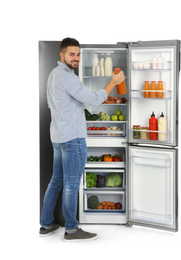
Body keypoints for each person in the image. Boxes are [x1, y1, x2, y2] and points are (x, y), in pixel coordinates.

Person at [39, 37, 125, 241]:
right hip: (72, 138)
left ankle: (46, 223)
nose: (76, 58)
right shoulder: (68, 77)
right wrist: (113, 82)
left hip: (58, 136)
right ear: (62, 55)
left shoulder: (53, 74)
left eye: (78, 54)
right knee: (71, 183)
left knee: (56, 181)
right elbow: (94, 100)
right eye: (71, 54)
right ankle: (71, 229)